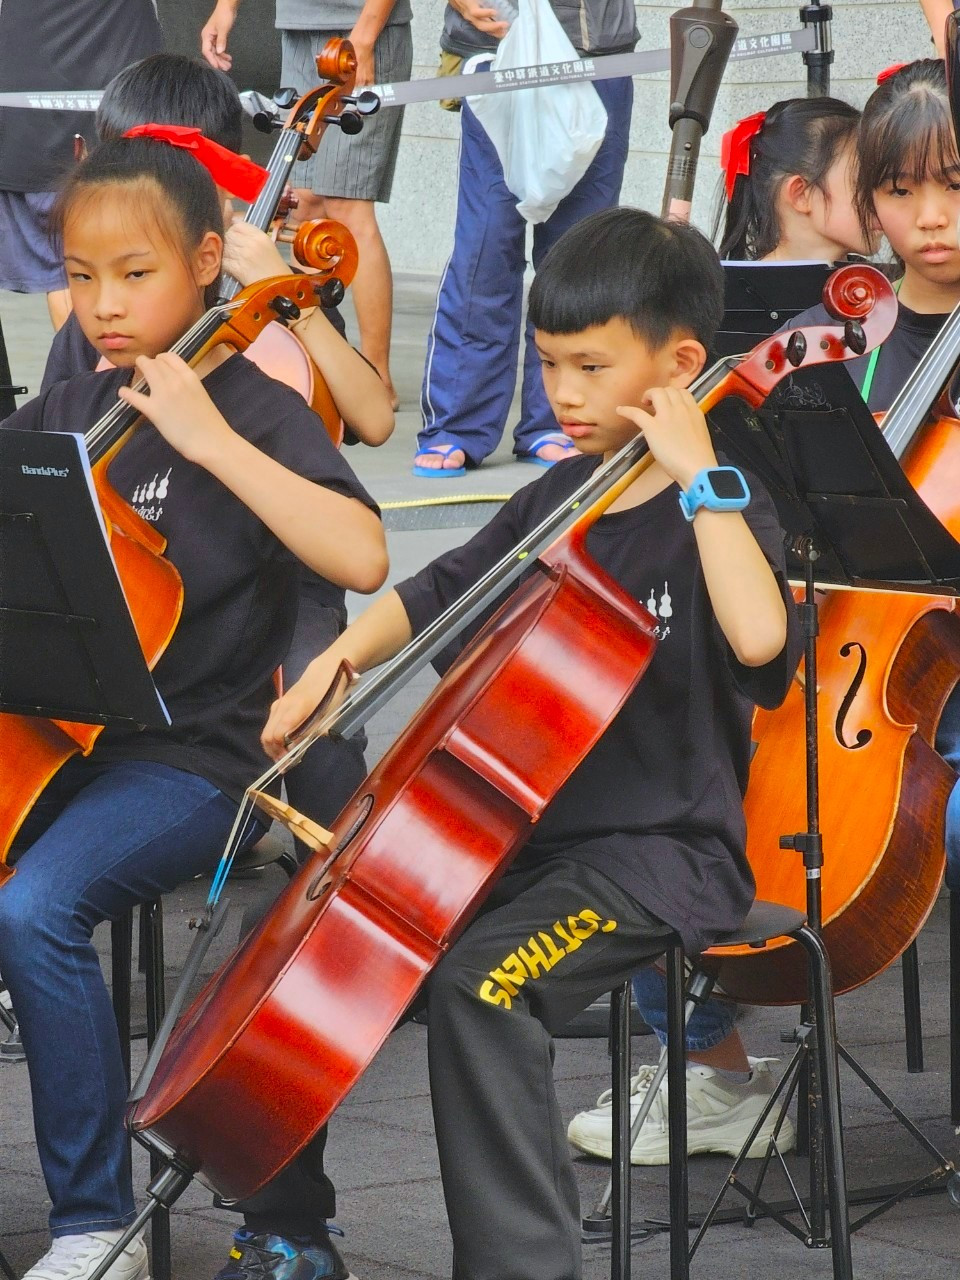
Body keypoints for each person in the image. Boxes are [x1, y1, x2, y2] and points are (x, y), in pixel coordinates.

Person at [261, 205, 802, 1280]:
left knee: (484, 985)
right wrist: (338, 662)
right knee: (310, 935)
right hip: (523, 842)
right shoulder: (557, 497)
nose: (563, 392)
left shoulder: (726, 505)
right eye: (550, 364)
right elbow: (438, 590)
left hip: (658, 856)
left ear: (679, 364)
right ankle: (281, 1221)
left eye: (591, 366)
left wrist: (700, 474)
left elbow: (759, 637)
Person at [0, 130, 387, 1280]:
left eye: (135, 274)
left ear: (209, 262)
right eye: (81, 276)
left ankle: (94, 1221)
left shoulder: (257, 411)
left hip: (200, 757)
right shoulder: (68, 407)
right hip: (56, 736)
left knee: (36, 907)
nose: (104, 305)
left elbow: (363, 553)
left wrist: (210, 442)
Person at [566, 96, 877, 1166]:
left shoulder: (875, 320)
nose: (916, 212)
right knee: (646, 771)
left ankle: (707, 1059)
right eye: (886, 185)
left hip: (839, 629)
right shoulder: (808, 321)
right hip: (756, 597)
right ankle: (711, 1061)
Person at [38, 51, 394, 849]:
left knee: (316, 736)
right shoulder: (101, 330)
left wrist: (292, 302)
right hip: (139, 570)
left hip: (282, 565)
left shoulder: (275, 288)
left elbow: (373, 420)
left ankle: (336, 889)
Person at [773, 57, 960, 887]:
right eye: (899, 191)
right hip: (848, 669)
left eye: (955, 187)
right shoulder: (830, 337)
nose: (930, 218)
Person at [413, 0, 636, 476]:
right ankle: (457, 424)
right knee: (485, 249)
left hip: (598, 51)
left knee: (578, 255)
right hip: (495, 49)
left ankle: (559, 419)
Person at [200, 0, 412, 406]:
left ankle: (376, 377)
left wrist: (365, 36)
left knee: (348, 204)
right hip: (299, 24)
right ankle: (318, 362)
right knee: (307, 204)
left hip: (358, 30)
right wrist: (226, 7)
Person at [0, 0, 162, 330]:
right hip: (68, 104)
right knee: (85, 266)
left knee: (68, 270)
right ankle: (86, 364)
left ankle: (86, 363)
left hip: (49, 101)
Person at [716, 97, 872, 264]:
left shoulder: (878, 279)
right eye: (863, 183)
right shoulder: (741, 281)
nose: (878, 197)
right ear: (801, 194)